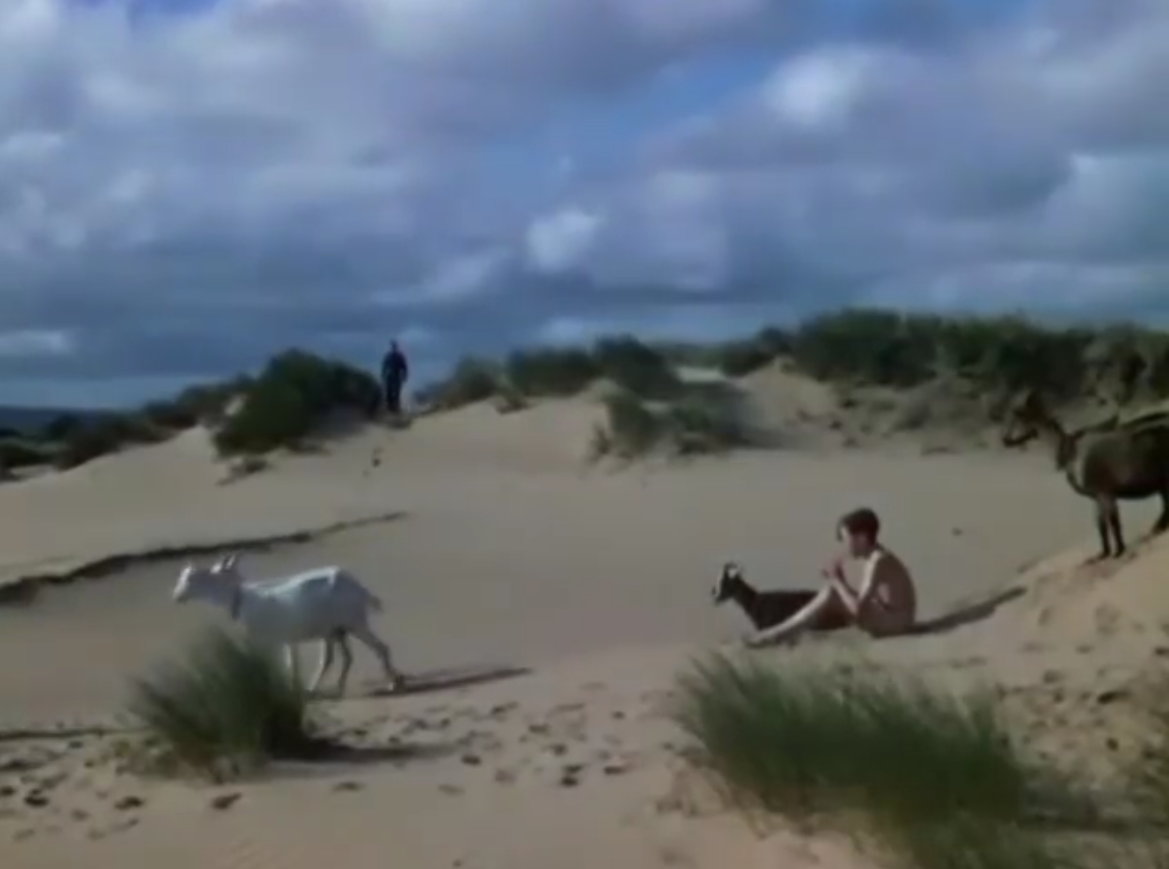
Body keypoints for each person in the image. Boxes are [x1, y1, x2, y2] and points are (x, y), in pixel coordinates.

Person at [743, 507, 916, 648]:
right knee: (833, 593)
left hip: (895, 624)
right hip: (893, 617)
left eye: (846, 539)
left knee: (831, 593)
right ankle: (784, 633)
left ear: (862, 539)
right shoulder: (876, 558)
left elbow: (858, 610)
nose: (844, 545)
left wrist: (837, 580)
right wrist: (840, 582)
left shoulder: (877, 561)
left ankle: (777, 635)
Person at [380, 340, 409, 416]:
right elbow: (384, 367)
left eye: (394, 346)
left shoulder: (398, 356)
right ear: (392, 347)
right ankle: (390, 409)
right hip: (390, 377)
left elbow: (404, 367)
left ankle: (395, 409)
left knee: (396, 393)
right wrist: (383, 375)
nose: (393, 348)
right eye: (393, 347)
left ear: (395, 347)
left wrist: (405, 376)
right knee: (389, 393)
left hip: (396, 376)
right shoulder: (389, 356)